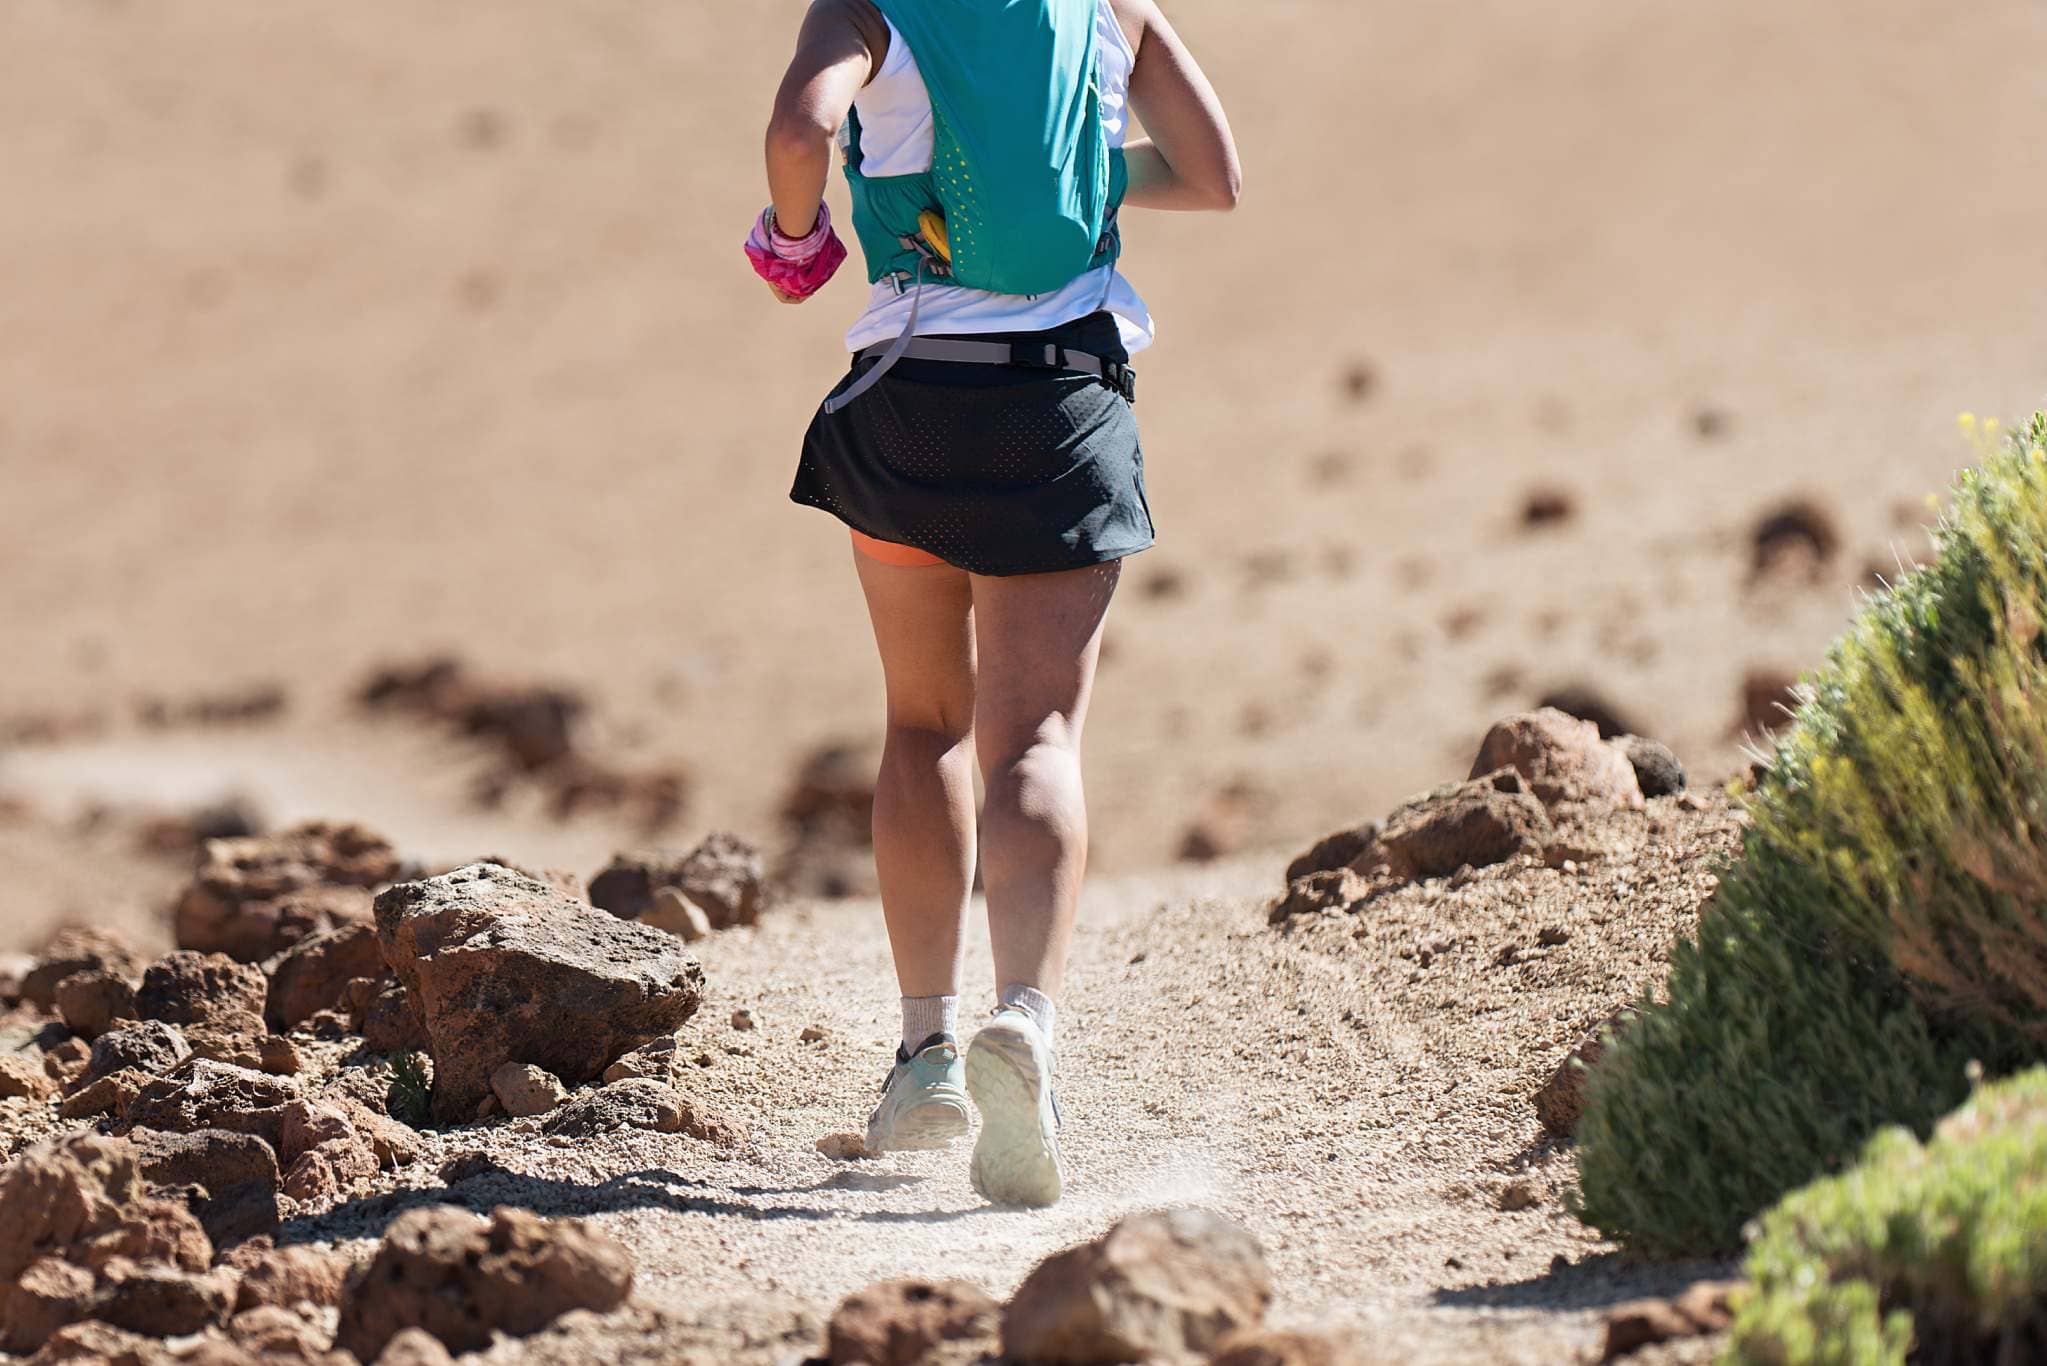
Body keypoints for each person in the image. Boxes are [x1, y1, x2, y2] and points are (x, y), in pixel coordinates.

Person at [753, 0, 1239, 1207]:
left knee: (924, 723)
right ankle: (1023, 1021)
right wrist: (1083, 177)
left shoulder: (872, 4)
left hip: (911, 398)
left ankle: (925, 1056)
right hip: (1061, 403)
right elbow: (1215, 176)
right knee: (1037, 735)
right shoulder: (1110, 6)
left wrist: (796, 237)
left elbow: (800, 126)